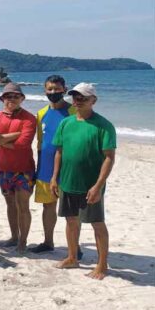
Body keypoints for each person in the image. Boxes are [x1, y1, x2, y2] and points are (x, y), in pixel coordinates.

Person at [51, 83, 115, 280]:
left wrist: (98, 185)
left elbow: (109, 158)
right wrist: (55, 177)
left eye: (83, 98)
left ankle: (102, 265)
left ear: (93, 100)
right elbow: (59, 152)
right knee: (71, 221)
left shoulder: (104, 125)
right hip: (68, 182)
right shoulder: (66, 123)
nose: (77, 101)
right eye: (75, 97)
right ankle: (72, 258)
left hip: (90, 185)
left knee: (97, 223)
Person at [0, 82, 36, 253]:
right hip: (4, 170)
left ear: (22, 98)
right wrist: (14, 136)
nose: (12, 99)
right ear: (3, 99)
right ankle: (14, 236)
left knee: (23, 205)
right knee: (10, 204)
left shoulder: (29, 118)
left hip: (25, 170)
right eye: (8, 96)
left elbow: (24, 143)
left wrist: (3, 139)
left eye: (16, 96)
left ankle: (23, 241)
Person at [31, 75, 76, 254]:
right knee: (48, 206)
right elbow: (40, 144)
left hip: (68, 168)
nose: (53, 92)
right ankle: (48, 242)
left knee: (71, 210)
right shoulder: (41, 114)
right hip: (46, 167)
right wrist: (39, 168)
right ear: (45, 90)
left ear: (64, 90)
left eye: (57, 89)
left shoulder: (73, 112)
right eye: (49, 89)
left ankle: (75, 246)